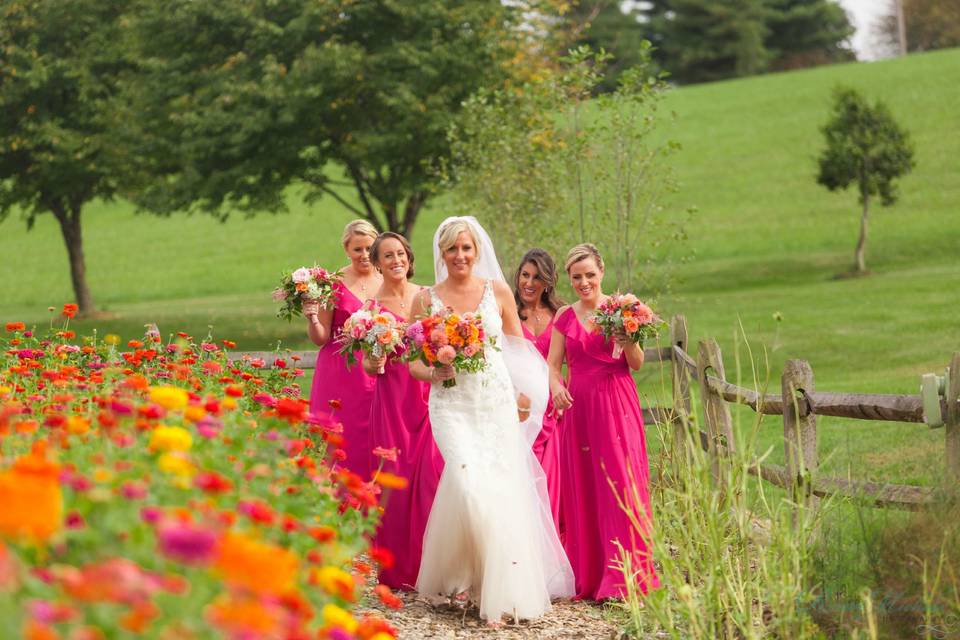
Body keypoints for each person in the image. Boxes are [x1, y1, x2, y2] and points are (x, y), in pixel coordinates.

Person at [409, 217, 573, 623]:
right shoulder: (426, 299)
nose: (460, 256)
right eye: (452, 249)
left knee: (497, 487)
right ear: (442, 254)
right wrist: (435, 372)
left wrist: (525, 397)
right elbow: (412, 365)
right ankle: (466, 573)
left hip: (494, 399)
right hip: (451, 404)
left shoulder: (496, 291)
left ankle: (493, 586)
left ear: (476, 251)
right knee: (467, 483)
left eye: (466, 248)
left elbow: (519, 352)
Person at [547, 243, 659, 601]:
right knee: (586, 485)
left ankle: (626, 576)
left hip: (616, 404)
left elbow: (637, 363)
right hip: (579, 409)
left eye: (590, 275)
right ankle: (591, 575)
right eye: (576, 277)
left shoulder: (622, 309)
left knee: (621, 483)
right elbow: (552, 365)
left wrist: (628, 341)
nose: (584, 282)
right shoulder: (564, 316)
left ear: (602, 272)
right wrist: (556, 387)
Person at [361, 232, 443, 590]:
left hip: (428, 394)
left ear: (409, 258)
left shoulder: (427, 297)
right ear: (377, 263)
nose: (396, 260)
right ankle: (397, 569)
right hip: (392, 400)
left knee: (431, 477)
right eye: (388, 256)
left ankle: (433, 564)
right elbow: (365, 364)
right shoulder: (370, 310)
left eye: (401, 254)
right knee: (395, 478)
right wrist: (374, 359)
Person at [304, 220, 382, 479]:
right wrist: (312, 317)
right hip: (340, 372)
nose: (364, 255)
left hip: (376, 370)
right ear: (347, 250)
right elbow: (321, 337)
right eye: (357, 249)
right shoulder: (333, 283)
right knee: (340, 436)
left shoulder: (386, 281)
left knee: (374, 435)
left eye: (369, 248)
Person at [513, 248, 564, 534]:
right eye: (525, 275)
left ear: (548, 282)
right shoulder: (508, 313)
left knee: (551, 479)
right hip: (518, 408)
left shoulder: (560, 315)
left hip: (553, 408)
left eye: (537, 277)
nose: (529, 283)